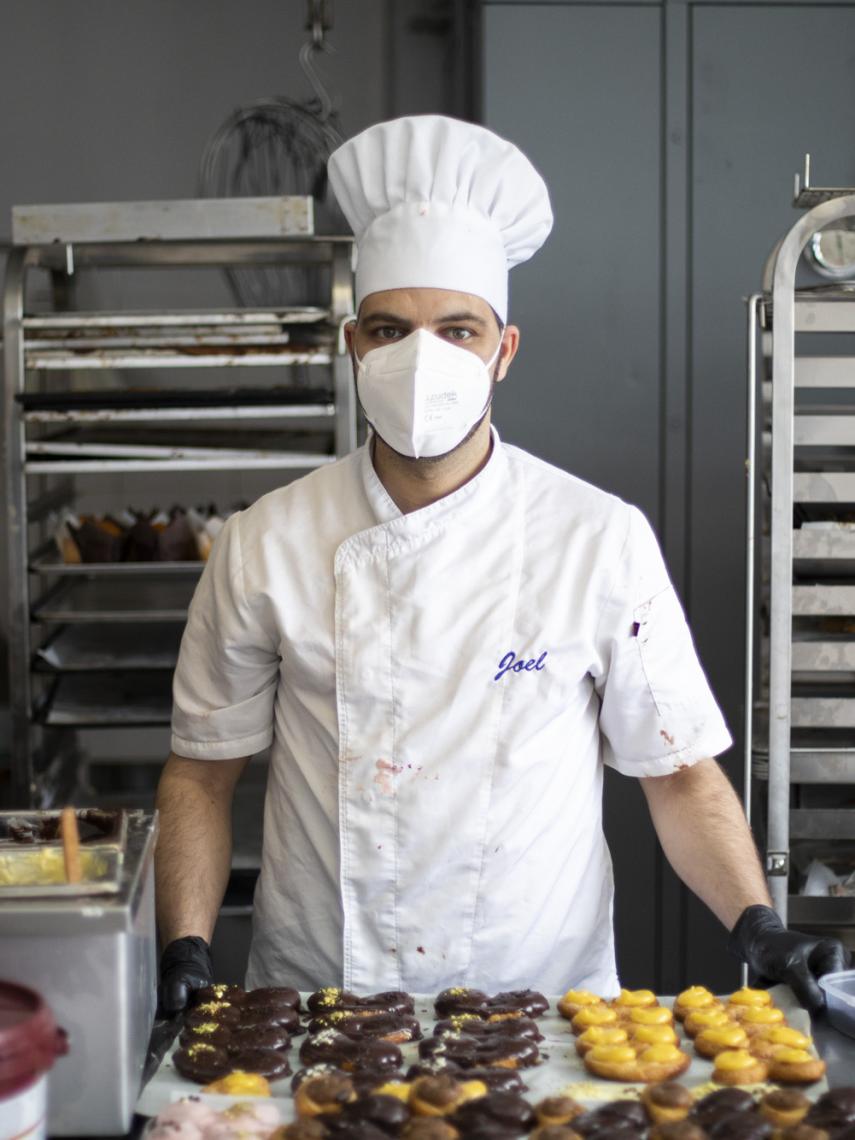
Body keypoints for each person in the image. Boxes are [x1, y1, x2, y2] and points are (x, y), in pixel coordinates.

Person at [156, 115, 848, 1014]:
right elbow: (201, 774)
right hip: (320, 1003)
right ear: (352, 347)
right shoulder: (265, 543)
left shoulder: (596, 537)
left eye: (458, 329)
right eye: (389, 328)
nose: (422, 358)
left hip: (541, 1009)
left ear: (503, 351)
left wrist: (755, 923)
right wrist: (185, 948)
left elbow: (676, 773)